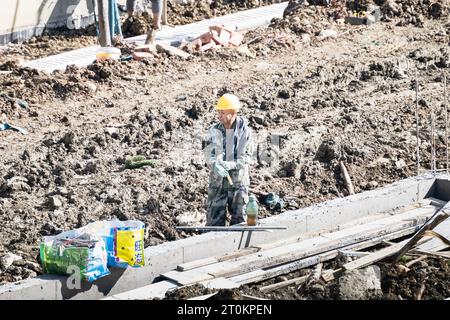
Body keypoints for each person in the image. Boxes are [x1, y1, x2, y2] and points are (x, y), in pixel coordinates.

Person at [204, 94, 255, 226]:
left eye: (222, 112)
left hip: (238, 183)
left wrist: (232, 164)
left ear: (233, 113)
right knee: (213, 222)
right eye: (218, 112)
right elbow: (208, 153)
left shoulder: (245, 132)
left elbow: (247, 157)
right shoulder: (214, 130)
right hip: (218, 184)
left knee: (240, 221)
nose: (219, 115)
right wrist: (215, 164)